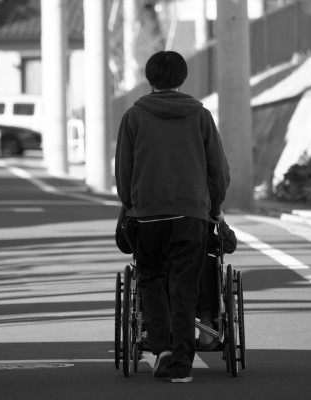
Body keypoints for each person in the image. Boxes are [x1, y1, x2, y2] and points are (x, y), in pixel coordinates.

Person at [115, 50, 230, 383]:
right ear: (182, 78)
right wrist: (214, 208)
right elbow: (218, 171)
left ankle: (162, 350)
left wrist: (132, 204)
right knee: (184, 287)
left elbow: (124, 172)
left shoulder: (133, 117)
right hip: (191, 214)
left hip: (148, 215)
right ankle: (181, 366)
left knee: (150, 279)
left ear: (149, 78)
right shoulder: (200, 116)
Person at [197, 220, 237, 350]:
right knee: (209, 264)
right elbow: (229, 245)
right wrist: (220, 220)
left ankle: (162, 324)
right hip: (203, 281)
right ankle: (206, 323)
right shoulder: (205, 207)